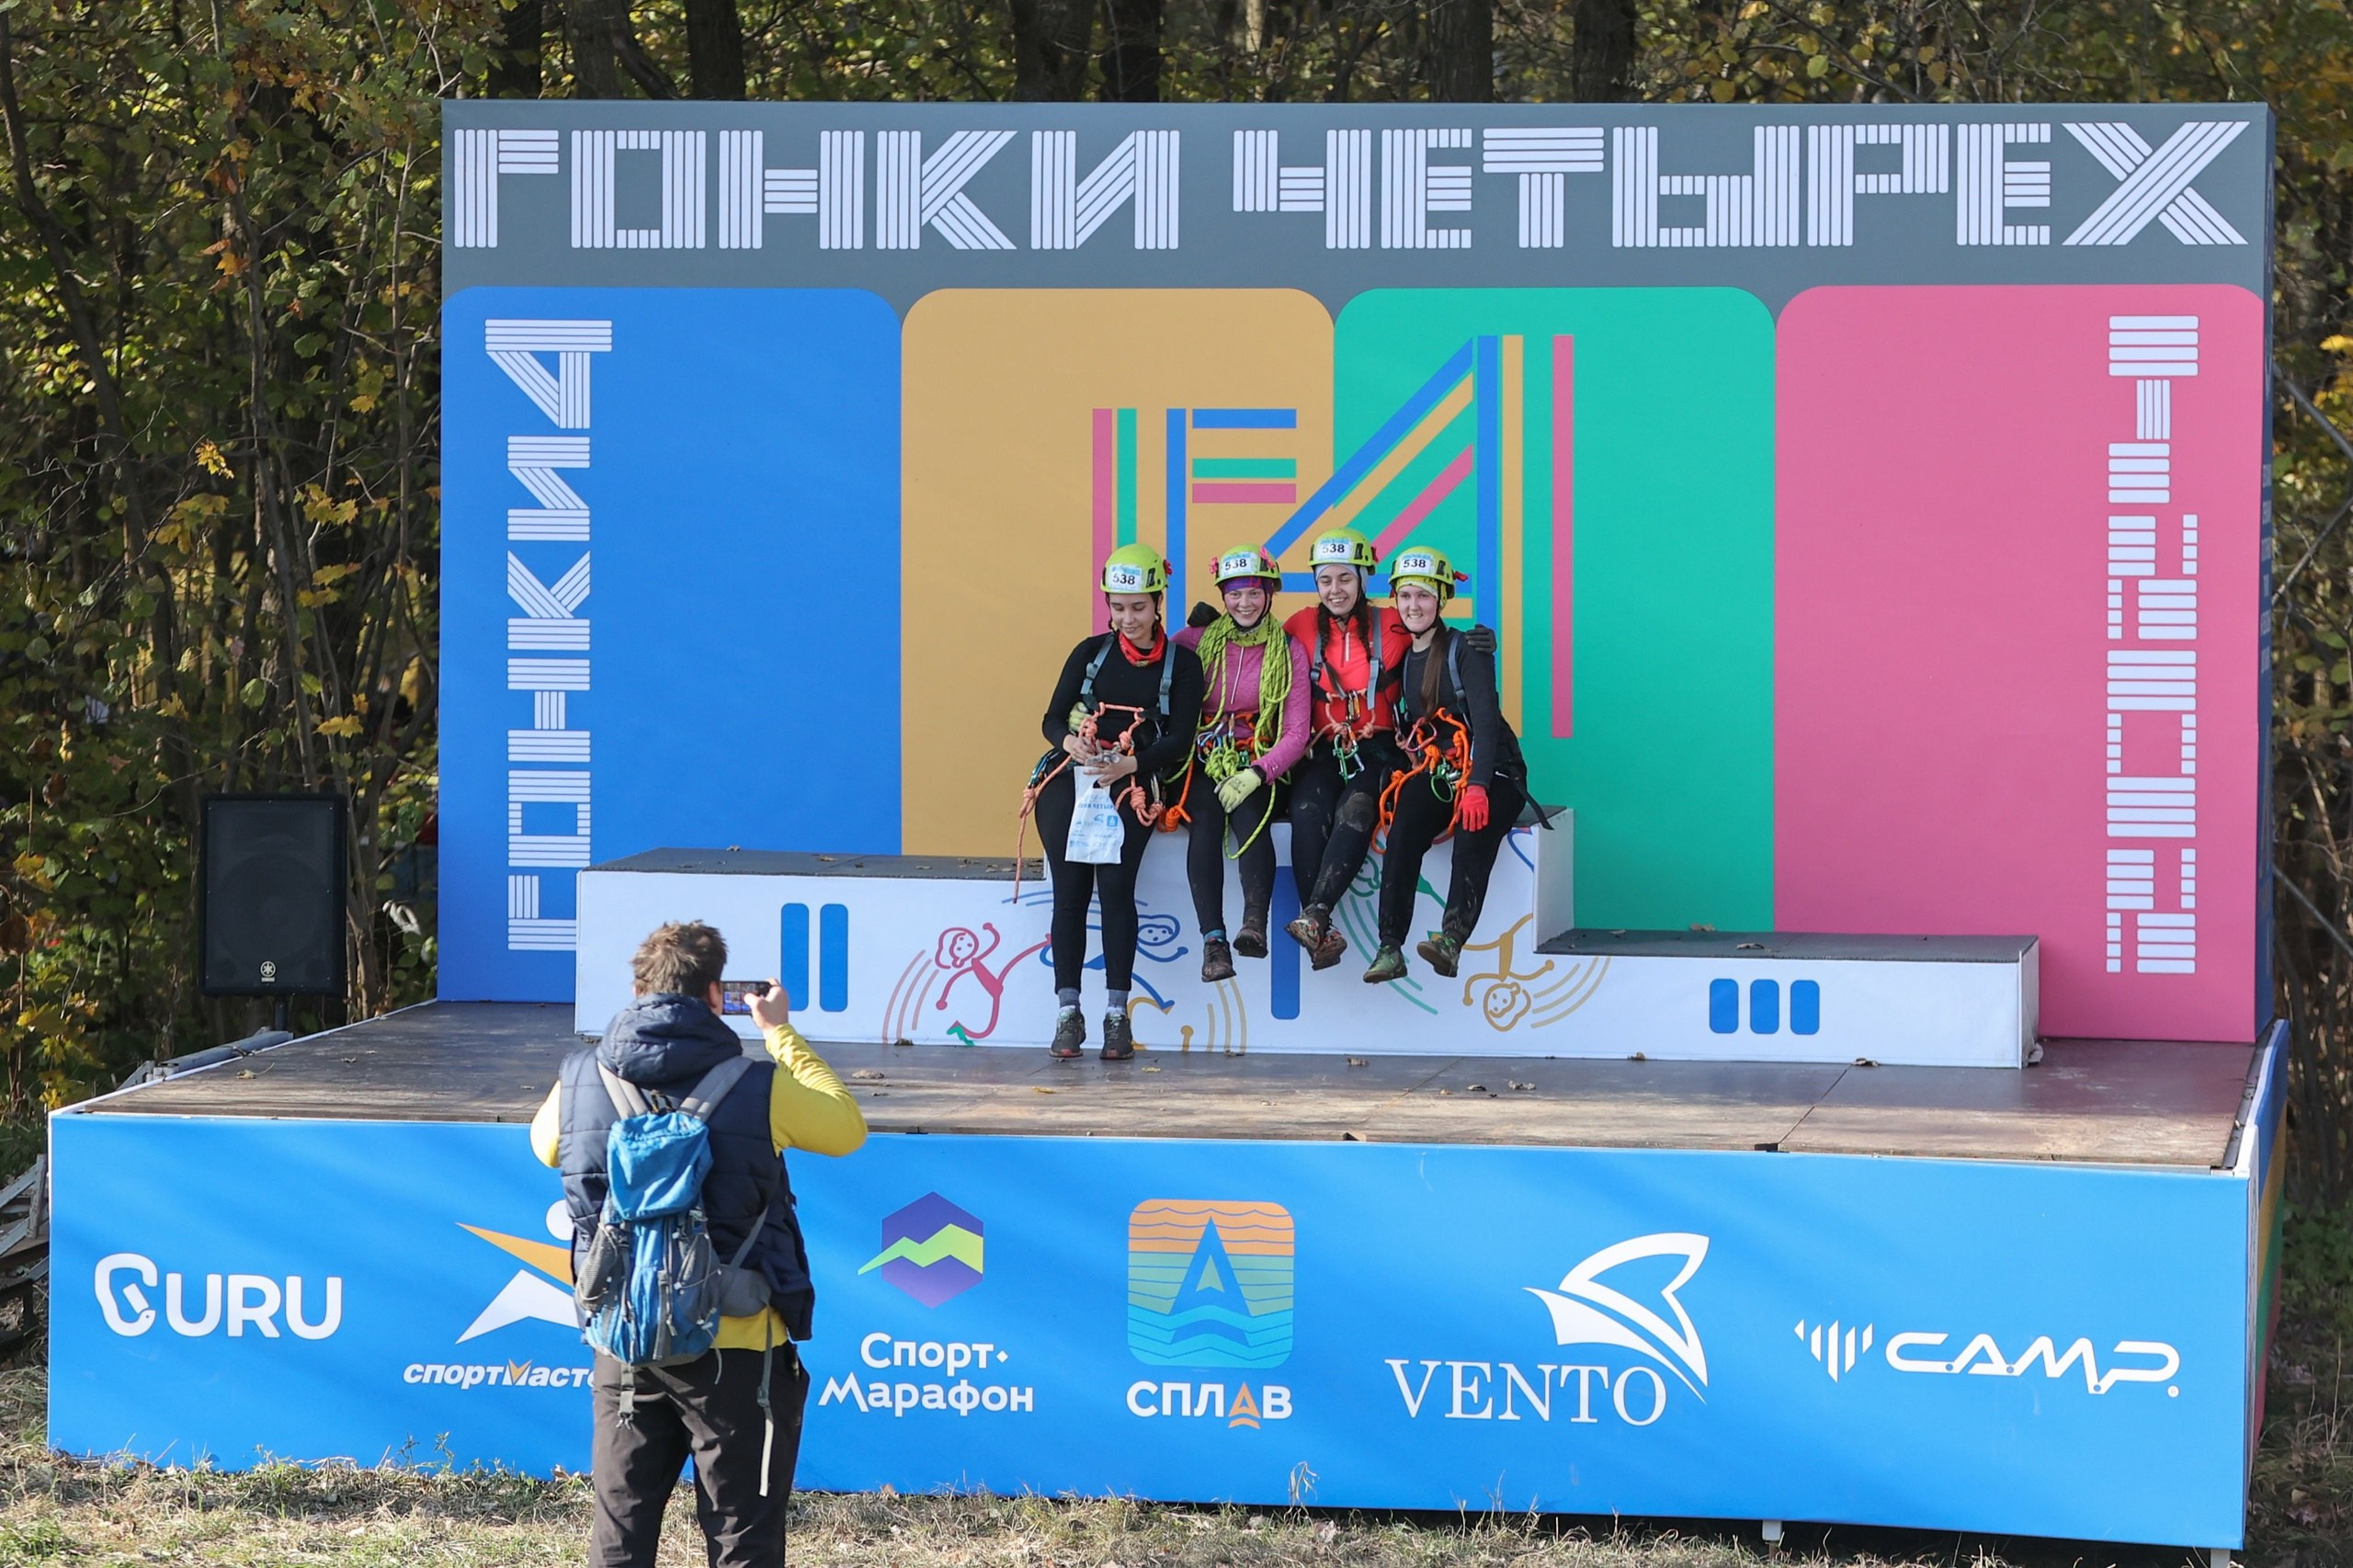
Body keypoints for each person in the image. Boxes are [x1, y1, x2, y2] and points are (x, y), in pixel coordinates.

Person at [530, 919, 867, 1568]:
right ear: (719, 995)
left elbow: (546, 1145)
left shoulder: (581, 1076)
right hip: (739, 1343)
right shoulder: (759, 1085)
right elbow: (845, 1126)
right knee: (744, 1536)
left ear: (635, 990)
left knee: (620, 1537)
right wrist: (780, 1034)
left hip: (625, 1339)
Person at [1026, 544, 1206, 1060]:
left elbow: (1179, 740)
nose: (1128, 619)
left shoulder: (1182, 666)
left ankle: (1115, 1015)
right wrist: (1072, 744)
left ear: (1158, 604)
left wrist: (1130, 765)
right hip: (1073, 779)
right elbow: (1052, 718)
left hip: (1132, 782)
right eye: (1118, 606)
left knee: (1116, 889)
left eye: (1138, 607)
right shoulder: (1089, 653)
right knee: (1070, 893)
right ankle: (1067, 1013)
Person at [1365, 545, 1530, 984]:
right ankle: (1389, 946)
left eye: (1423, 596)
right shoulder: (1402, 658)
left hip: (1493, 770)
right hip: (1440, 772)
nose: (1414, 605)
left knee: (1474, 835)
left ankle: (1451, 939)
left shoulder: (1465, 650)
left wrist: (1477, 784)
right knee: (1403, 830)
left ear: (1441, 600)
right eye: (1405, 596)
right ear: (1395, 600)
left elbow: (1487, 725)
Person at [1171, 545, 1312, 982]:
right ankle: (1214, 942)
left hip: (1260, 759)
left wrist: (1257, 772)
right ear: (1222, 596)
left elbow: (1296, 733)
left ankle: (1254, 925)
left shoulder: (1288, 650)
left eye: (1254, 592)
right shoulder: (1194, 642)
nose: (1244, 603)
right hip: (1203, 760)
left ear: (1270, 594)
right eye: (1234, 594)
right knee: (1207, 824)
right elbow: (1147, 658)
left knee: (1252, 820)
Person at [1279, 527, 1409, 971]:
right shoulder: (1298, 626)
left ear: (1363, 580)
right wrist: (1201, 634)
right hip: (1323, 749)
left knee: (1357, 809)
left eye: (1345, 579)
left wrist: (1472, 647)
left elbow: (1435, 642)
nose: (1335, 590)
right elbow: (1250, 652)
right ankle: (1322, 929)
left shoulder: (1392, 623)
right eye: (1325, 580)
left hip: (1379, 748)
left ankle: (1315, 915)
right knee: (1307, 812)